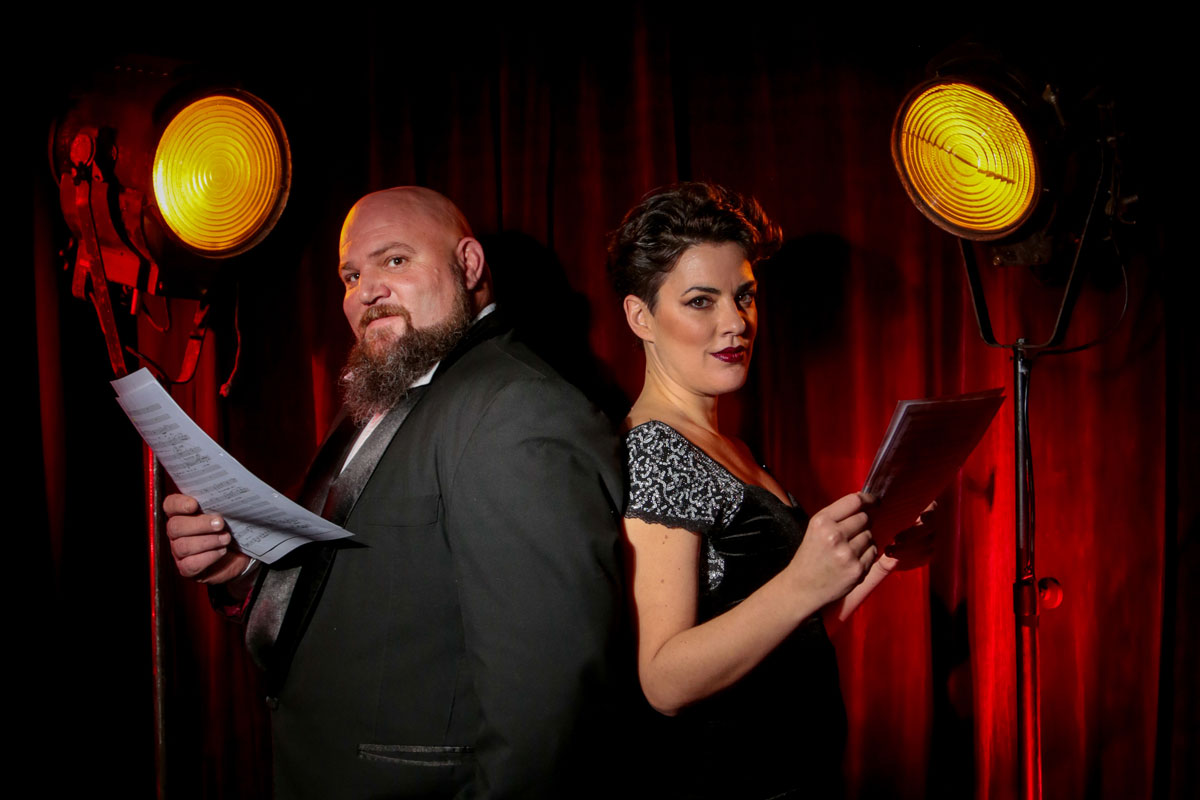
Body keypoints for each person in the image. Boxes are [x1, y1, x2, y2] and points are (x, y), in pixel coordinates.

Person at [166, 187, 627, 798]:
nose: (366, 290)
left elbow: (548, 711)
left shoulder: (517, 408)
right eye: (351, 275)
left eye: (395, 260)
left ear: (469, 264)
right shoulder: (385, 397)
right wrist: (242, 563)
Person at [607, 182, 934, 799]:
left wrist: (878, 559)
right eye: (701, 301)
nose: (736, 323)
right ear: (640, 317)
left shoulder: (731, 447)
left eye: (744, 295)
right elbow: (663, 680)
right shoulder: (655, 449)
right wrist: (802, 582)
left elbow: (792, 631)